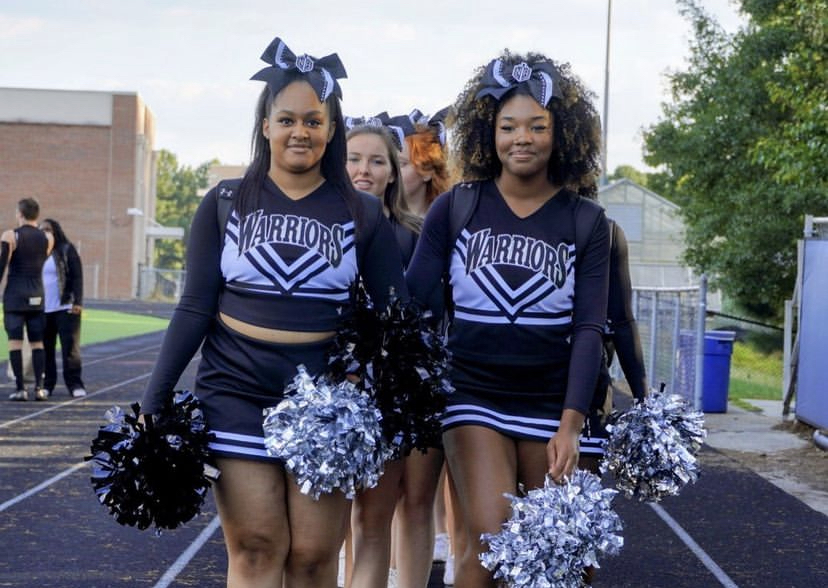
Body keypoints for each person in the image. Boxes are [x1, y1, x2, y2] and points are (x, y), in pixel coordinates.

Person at [140, 37, 407, 588]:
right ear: (265, 125)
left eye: (314, 120)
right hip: (234, 387)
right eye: (287, 119)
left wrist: (368, 379)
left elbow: (395, 319)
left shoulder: (362, 213)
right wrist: (155, 398)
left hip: (324, 400)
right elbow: (194, 306)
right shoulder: (224, 201)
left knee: (311, 556)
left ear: (331, 130)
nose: (300, 132)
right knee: (258, 547)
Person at [404, 51, 610, 586]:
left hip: (553, 399)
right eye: (508, 126)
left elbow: (591, 326)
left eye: (537, 126)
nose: (522, 138)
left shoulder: (586, 220)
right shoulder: (456, 208)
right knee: (493, 539)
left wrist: (572, 423)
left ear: (560, 134)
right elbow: (410, 301)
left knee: (559, 559)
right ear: (487, 133)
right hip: (474, 393)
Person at [343, 121, 428, 588]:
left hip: (395, 391)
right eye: (354, 159)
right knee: (347, 521)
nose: (364, 170)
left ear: (393, 172)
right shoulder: (324, 228)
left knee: (393, 511)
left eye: (377, 161)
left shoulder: (415, 235)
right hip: (333, 392)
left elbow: (419, 314)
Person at [1, 198, 53, 401]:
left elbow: (2, 265)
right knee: (37, 343)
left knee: (15, 342)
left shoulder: (10, 235)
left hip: (15, 296)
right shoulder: (48, 238)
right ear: (37, 215)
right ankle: (39, 388)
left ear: (20, 214)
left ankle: (20, 388)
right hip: (37, 296)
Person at [39, 218, 87, 398]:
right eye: (41, 230)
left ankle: (75, 384)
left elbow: (77, 277)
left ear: (55, 231)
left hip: (66, 306)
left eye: (47, 229)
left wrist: (78, 302)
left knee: (70, 349)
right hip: (44, 309)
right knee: (46, 349)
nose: (44, 233)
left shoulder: (67, 250)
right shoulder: (38, 254)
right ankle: (47, 385)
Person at [399, 108, 452, 218]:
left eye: (401, 164)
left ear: (427, 170)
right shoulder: (376, 222)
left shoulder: (450, 222)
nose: (391, 171)